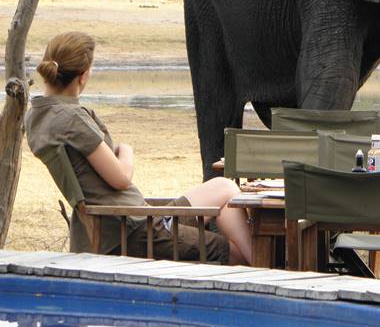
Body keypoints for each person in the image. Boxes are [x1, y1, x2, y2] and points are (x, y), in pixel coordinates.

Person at [26, 31, 252, 265]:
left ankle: (261, 262)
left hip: (130, 221)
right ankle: (264, 267)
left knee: (225, 187)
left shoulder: (37, 116)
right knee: (233, 253)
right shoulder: (72, 119)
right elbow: (121, 178)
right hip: (134, 231)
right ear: (83, 76)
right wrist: (127, 149)